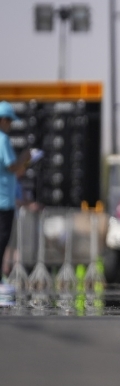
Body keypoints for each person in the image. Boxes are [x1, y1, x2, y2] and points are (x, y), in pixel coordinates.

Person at [0, 102, 34, 277]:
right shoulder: (3, 139)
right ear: (3, 120)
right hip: (3, 200)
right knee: (2, 239)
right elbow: (12, 166)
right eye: (9, 122)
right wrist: (26, 157)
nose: (10, 126)